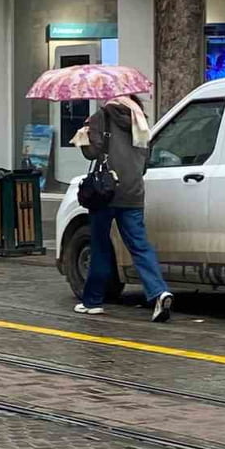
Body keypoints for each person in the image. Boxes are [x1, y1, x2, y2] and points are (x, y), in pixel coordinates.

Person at [75, 95, 173, 322]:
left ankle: (93, 301)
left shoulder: (101, 117)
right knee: (140, 246)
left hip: (106, 193)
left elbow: (92, 152)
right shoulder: (140, 119)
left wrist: (84, 136)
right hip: (134, 193)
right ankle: (159, 292)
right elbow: (145, 161)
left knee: (100, 246)